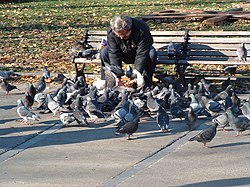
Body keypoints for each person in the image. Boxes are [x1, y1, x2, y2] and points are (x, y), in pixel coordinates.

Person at [100, 14, 157, 89]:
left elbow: (142, 52)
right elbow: (113, 52)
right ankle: (109, 82)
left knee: (151, 54)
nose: (121, 37)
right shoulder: (111, 31)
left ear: (130, 29)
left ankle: (146, 83)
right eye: (118, 35)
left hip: (139, 52)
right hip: (122, 53)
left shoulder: (142, 28)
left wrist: (137, 73)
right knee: (104, 52)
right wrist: (117, 74)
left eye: (124, 35)